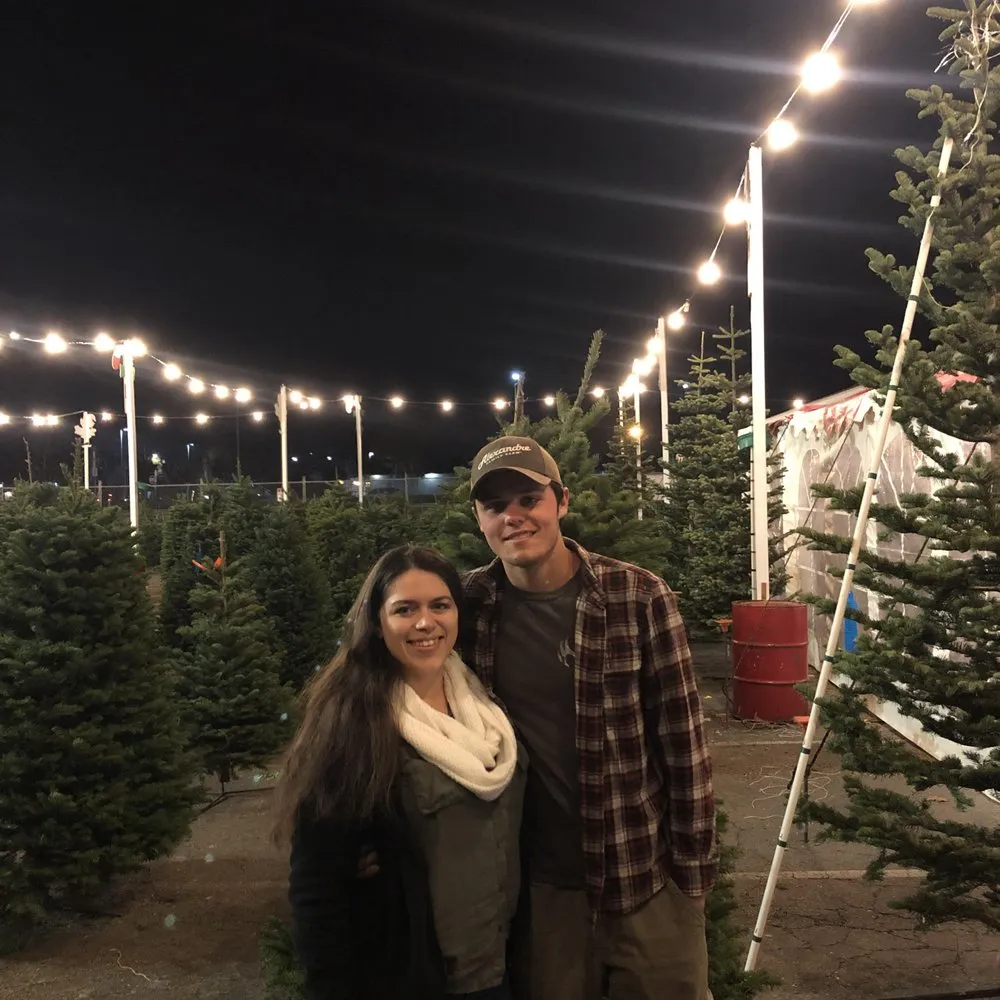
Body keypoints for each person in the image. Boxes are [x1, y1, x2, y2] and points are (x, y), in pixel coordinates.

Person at [461, 435, 717, 1000]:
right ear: (478, 517)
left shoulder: (637, 595)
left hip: (643, 880)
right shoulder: (469, 609)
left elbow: (685, 744)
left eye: (528, 499)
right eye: (495, 505)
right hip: (541, 892)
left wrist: (691, 883)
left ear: (561, 502)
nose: (513, 517)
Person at [272, 544, 527, 1000]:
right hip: (420, 979)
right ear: (377, 621)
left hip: (497, 965)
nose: (425, 623)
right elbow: (317, 889)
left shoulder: (484, 700)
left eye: (440, 605)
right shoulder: (354, 722)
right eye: (405, 609)